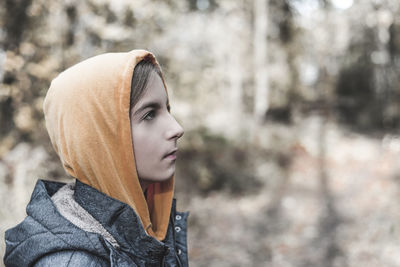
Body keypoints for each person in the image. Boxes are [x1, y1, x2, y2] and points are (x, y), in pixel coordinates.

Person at [3, 50, 189, 266]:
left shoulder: (150, 225)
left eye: (167, 109)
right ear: (99, 137)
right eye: (149, 114)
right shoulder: (72, 262)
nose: (177, 128)